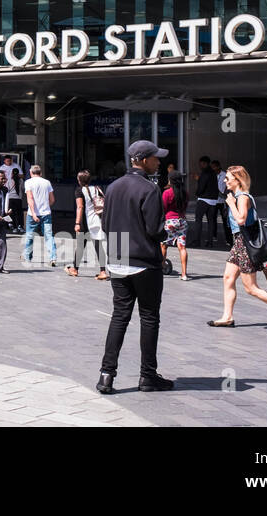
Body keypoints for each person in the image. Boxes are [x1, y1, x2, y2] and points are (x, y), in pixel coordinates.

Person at [97, 140, 173, 395]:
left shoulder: (113, 187)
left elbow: (106, 226)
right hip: (144, 263)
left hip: (118, 261)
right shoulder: (149, 189)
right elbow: (154, 230)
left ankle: (106, 375)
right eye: (155, 158)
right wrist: (169, 232)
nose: (158, 162)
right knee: (149, 318)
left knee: (119, 317)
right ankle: (147, 376)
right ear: (142, 159)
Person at [206, 165, 267, 329]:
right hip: (239, 243)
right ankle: (227, 317)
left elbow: (241, 219)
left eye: (227, 178)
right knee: (228, 279)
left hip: (245, 244)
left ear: (237, 179)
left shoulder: (242, 197)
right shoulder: (238, 196)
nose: (225, 180)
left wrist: (231, 204)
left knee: (251, 288)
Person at [69, 170, 108, 279]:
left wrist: (77, 223)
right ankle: (103, 271)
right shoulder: (96, 188)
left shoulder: (79, 190)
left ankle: (75, 269)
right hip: (97, 220)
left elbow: (80, 207)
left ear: (79, 180)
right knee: (98, 246)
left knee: (81, 245)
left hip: (85, 222)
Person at [22, 164, 56, 266]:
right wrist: (45, 207)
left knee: (30, 235)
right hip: (46, 214)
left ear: (31, 173)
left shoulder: (28, 182)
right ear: (40, 173)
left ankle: (27, 257)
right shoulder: (47, 182)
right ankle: (53, 258)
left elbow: (30, 199)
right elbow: (52, 200)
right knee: (49, 236)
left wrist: (33, 214)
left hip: (33, 214)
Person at [161, 171, 190, 280]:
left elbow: (163, 208)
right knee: (182, 247)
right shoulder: (185, 193)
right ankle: (184, 274)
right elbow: (185, 207)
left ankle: (162, 266)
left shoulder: (167, 193)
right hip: (182, 221)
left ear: (170, 180)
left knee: (164, 245)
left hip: (170, 221)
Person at [192, 156, 220, 248]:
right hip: (213, 200)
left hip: (204, 199)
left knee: (198, 220)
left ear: (205, 163)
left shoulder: (205, 173)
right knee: (211, 221)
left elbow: (202, 186)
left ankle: (196, 241)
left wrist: (197, 193)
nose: (200, 165)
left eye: (201, 164)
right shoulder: (213, 173)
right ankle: (210, 242)